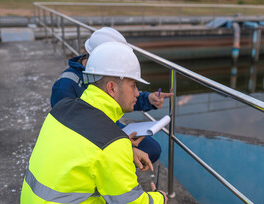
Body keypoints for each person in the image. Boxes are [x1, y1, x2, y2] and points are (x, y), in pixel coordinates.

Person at [21, 42, 168, 204]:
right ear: (112, 87)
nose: (136, 93)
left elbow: (86, 150)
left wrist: (125, 150)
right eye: (133, 85)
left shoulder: (64, 108)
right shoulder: (111, 141)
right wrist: (159, 198)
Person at [51, 27, 173, 164]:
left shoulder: (105, 75)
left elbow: (119, 96)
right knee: (132, 155)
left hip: (107, 125)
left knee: (152, 150)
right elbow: (71, 133)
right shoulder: (65, 86)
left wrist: (148, 99)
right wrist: (124, 149)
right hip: (87, 135)